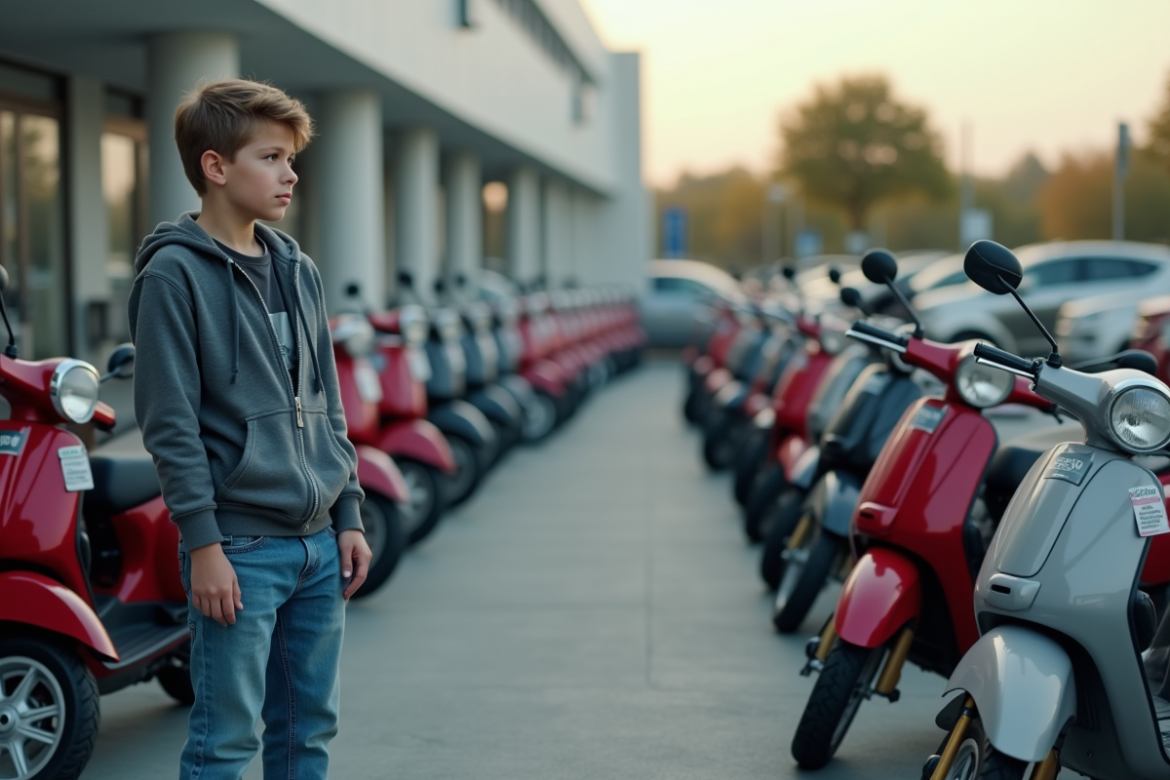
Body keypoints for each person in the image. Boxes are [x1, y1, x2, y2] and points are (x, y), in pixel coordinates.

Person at [127, 78, 372, 779]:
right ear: (215, 166)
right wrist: (203, 545)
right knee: (226, 744)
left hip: (319, 546)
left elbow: (326, 402)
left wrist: (347, 512)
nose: (290, 173)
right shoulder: (172, 275)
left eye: (291, 158)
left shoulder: (298, 268)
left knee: (307, 735)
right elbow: (169, 425)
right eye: (271, 157)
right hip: (238, 548)